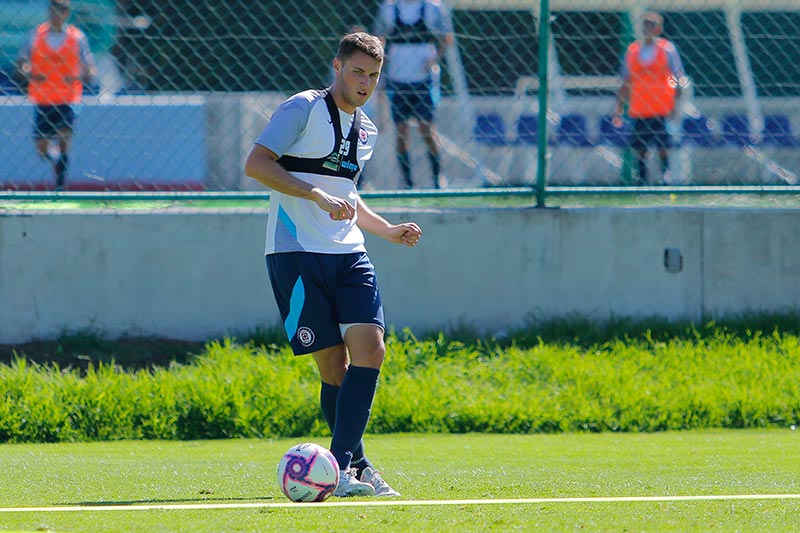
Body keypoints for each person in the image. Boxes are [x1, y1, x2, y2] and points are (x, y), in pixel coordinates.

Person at [244, 32, 421, 498]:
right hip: (296, 252)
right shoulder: (302, 108)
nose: (365, 83)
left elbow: (348, 196)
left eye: (374, 76)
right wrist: (313, 194)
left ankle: (340, 466)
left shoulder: (368, 130)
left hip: (349, 253)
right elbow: (257, 164)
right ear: (338, 67)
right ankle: (357, 465)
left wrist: (386, 230)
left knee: (372, 348)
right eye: (358, 71)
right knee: (333, 366)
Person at [373, 0, 454, 189]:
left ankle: (437, 178)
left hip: (423, 81)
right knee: (401, 134)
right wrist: (382, 57)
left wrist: (434, 59)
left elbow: (446, 37)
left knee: (427, 129)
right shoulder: (389, 8)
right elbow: (377, 38)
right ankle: (408, 183)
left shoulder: (432, 8)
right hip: (397, 79)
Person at [16, 0, 96, 191]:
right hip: (43, 98)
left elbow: (90, 70)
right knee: (42, 147)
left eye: (58, 12)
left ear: (66, 14)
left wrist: (79, 76)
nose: (54, 16)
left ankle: (61, 185)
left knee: (64, 137)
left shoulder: (76, 38)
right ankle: (55, 161)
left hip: (67, 98)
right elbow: (22, 63)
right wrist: (30, 73)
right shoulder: (37, 35)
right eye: (51, 11)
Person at [613, 11, 686, 185]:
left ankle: (664, 176)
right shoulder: (632, 51)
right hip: (639, 108)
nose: (648, 27)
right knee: (640, 147)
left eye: (651, 24)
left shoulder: (667, 49)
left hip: (661, 108)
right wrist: (619, 108)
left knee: (662, 145)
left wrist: (675, 94)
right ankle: (641, 179)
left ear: (658, 28)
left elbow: (673, 76)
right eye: (645, 23)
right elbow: (626, 80)